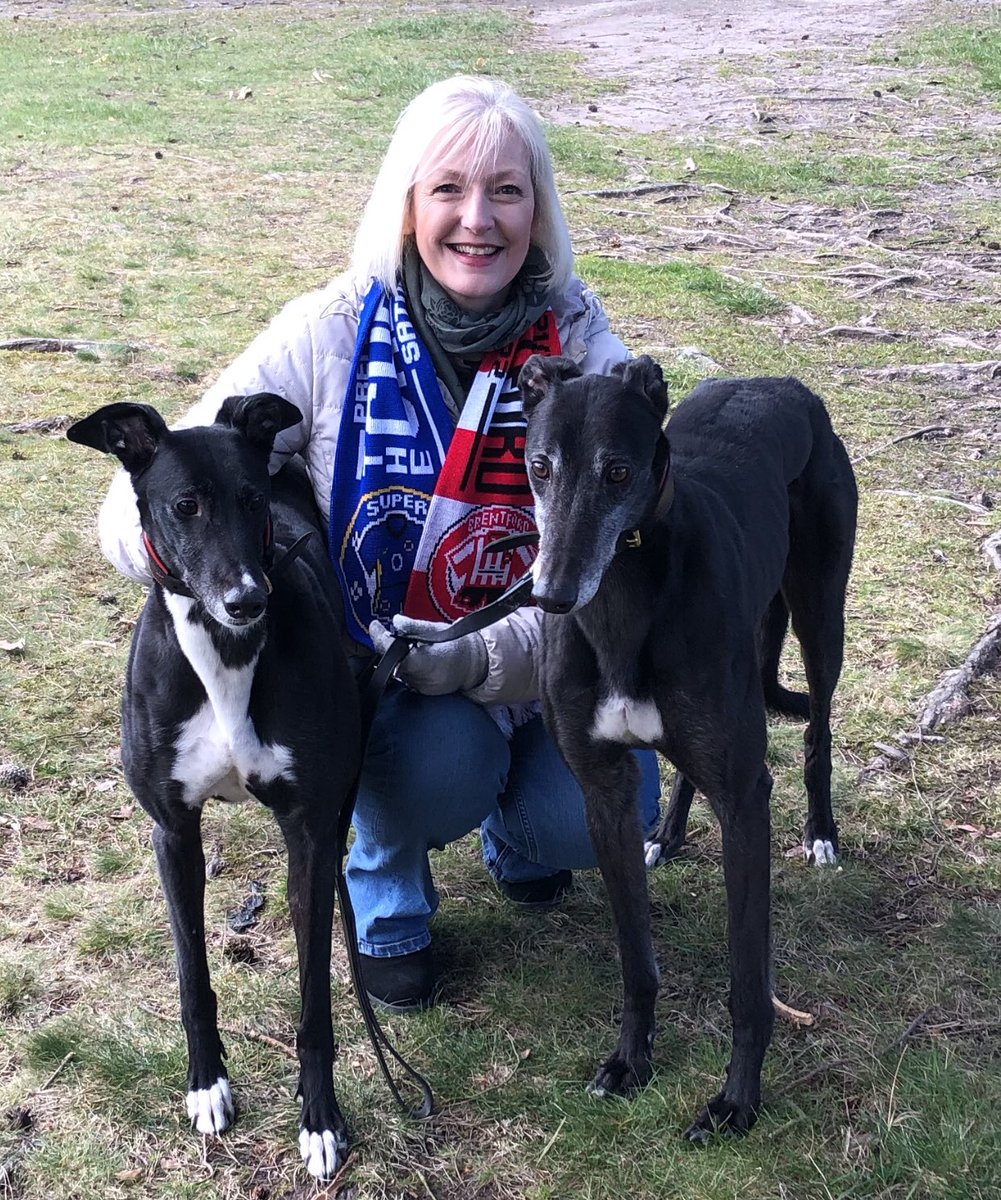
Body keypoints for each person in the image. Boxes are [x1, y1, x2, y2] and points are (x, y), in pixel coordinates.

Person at [98, 75, 661, 1011]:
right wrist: (177, 555)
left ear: (539, 209)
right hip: (380, 681)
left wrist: (478, 659)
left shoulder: (582, 349)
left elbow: (628, 554)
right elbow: (161, 489)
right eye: (447, 188)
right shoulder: (332, 331)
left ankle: (516, 837)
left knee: (597, 812)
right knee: (428, 770)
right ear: (407, 203)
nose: (476, 219)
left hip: (543, 656)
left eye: (506, 191)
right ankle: (386, 892)